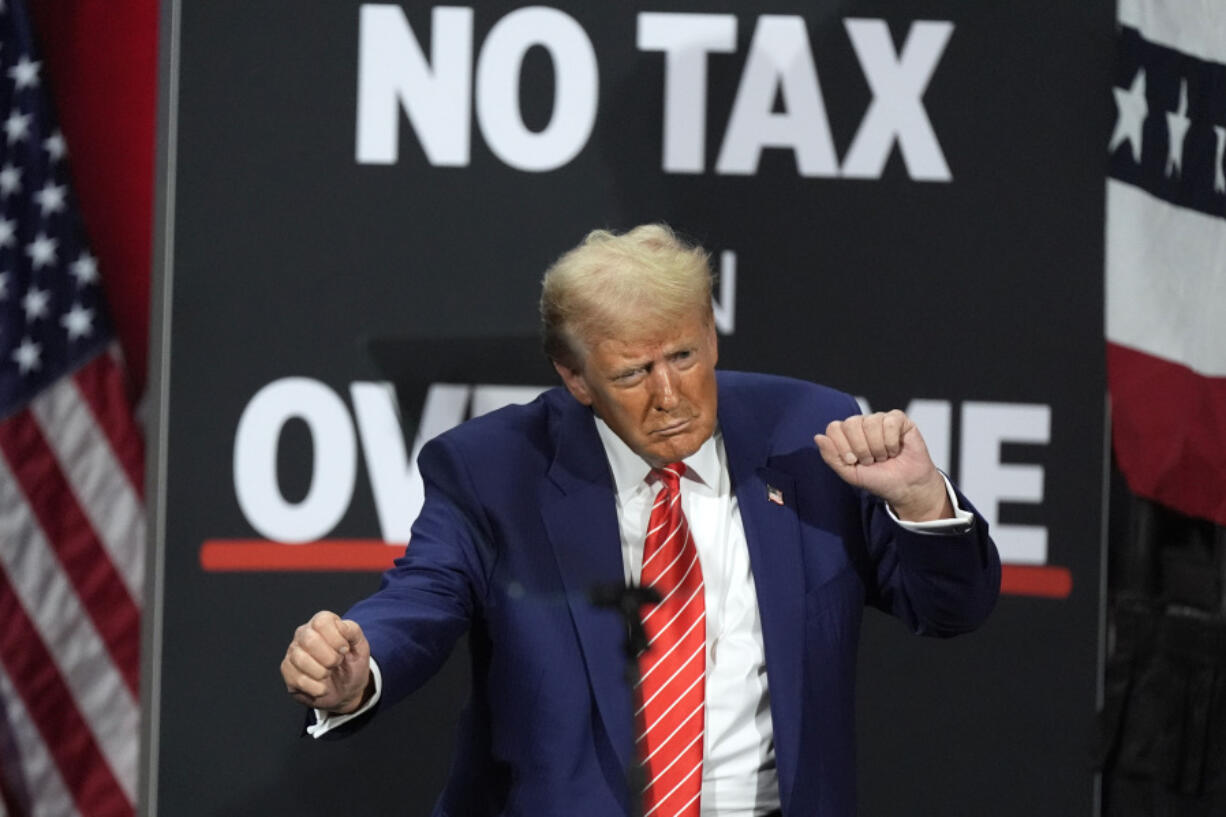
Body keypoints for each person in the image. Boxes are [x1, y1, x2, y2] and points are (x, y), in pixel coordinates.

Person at [280, 224, 1000, 817]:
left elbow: (953, 609)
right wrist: (359, 668)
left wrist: (922, 501)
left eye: (685, 355)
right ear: (574, 376)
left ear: (712, 335)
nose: (671, 395)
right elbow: (423, 596)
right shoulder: (494, 470)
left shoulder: (812, 435)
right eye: (632, 374)